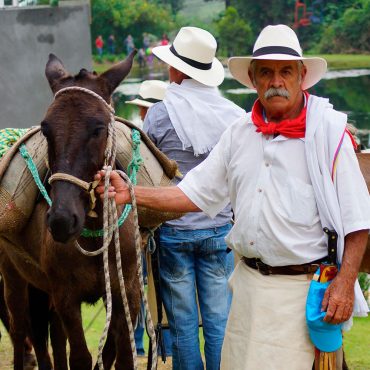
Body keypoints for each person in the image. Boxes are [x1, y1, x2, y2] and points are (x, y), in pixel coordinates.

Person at [96, 25, 370, 370]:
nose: (276, 81)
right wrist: (131, 193)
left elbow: (359, 221)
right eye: (266, 72)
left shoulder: (329, 134)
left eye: (286, 71)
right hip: (247, 289)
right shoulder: (238, 133)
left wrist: (345, 284)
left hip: (302, 294)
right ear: (253, 78)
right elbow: (190, 194)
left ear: (302, 76)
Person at [132, 26, 245, 370]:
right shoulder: (234, 116)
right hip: (218, 231)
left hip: (175, 231)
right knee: (218, 321)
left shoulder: (159, 114)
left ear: (178, 70)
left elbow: (143, 169)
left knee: (181, 325)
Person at [126, 79, 173, 356]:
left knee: (141, 283)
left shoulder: (142, 141)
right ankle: (150, 343)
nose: (142, 114)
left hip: (146, 224)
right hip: (166, 222)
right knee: (156, 285)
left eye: (144, 109)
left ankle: (140, 343)